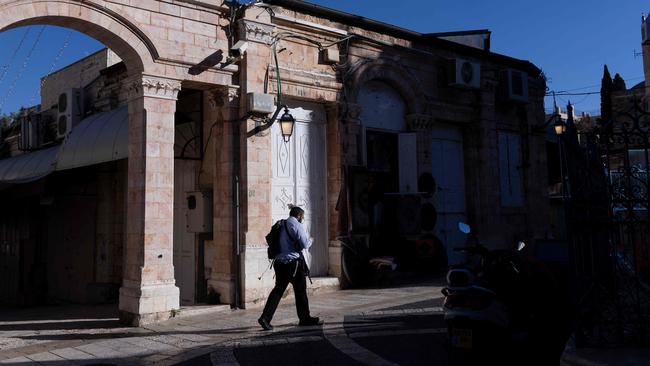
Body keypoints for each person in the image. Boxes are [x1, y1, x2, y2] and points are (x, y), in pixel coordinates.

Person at [258, 206, 322, 330]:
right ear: (298, 215)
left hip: (279, 263)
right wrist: (311, 240)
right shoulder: (296, 225)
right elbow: (304, 244)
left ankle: (265, 318)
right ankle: (305, 318)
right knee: (301, 291)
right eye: (302, 217)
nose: (302, 219)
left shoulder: (281, 224)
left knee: (278, 290)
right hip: (293, 264)